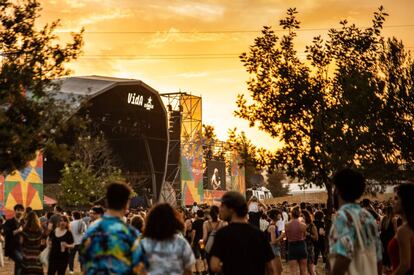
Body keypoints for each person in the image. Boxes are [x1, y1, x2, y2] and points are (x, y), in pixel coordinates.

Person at [80, 182, 145, 274]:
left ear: (107, 201)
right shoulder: (130, 234)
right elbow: (139, 269)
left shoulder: (91, 230)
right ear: (127, 203)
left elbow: (84, 266)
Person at [329, 168, 382, 275]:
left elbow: (343, 256)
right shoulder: (367, 216)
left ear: (338, 190)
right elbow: (378, 257)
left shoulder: (343, 217)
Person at [209, 191, 275, 275]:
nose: (220, 209)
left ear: (231, 209)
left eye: (222, 205)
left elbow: (214, 265)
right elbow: (270, 268)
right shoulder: (259, 234)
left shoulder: (222, 234)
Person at [139, 203, 195, 275]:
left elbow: (140, 270)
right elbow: (188, 271)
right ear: (174, 221)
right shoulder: (181, 243)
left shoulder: (143, 244)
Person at [388, 183, 414, 275]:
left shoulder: (404, 230)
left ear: (406, 201)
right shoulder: (409, 227)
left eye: (396, 198)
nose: (392, 202)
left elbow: (405, 265)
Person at [285, 206, 307, 275]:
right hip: (301, 245)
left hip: (292, 246)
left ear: (291, 214)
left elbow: (287, 236)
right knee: (303, 271)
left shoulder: (287, 225)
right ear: (299, 214)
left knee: (293, 272)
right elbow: (304, 236)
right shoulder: (303, 225)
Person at [4, 204, 25, 275]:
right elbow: (6, 232)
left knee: (18, 266)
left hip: (22, 248)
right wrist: (17, 231)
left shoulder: (23, 222)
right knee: (21, 261)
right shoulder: (9, 222)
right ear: (14, 211)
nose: (20, 212)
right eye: (18, 210)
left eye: (21, 210)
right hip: (12, 248)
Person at [268, 209, 284, 275]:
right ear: (275, 215)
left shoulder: (274, 225)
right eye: (279, 214)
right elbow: (273, 241)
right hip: (273, 250)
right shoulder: (272, 227)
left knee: (279, 270)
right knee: (278, 270)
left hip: (275, 249)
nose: (280, 215)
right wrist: (282, 236)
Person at [191, 209, 208, 274]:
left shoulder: (195, 222)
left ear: (197, 215)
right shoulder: (205, 222)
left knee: (197, 256)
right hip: (202, 241)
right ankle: (206, 269)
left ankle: (198, 271)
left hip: (196, 241)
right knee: (203, 255)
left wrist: (192, 241)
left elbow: (193, 232)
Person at [302, 209, 318, 275]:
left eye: (302, 215)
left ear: (306, 216)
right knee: (303, 270)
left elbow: (316, 238)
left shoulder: (312, 225)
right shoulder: (301, 225)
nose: (301, 217)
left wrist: (308, 234)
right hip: (302, 248)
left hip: (309, 249)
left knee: (310, 270)